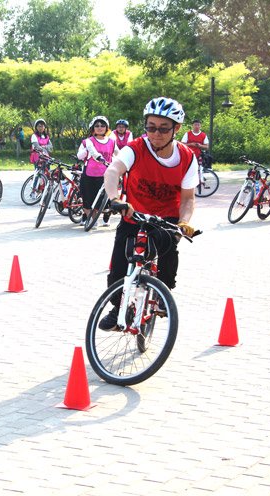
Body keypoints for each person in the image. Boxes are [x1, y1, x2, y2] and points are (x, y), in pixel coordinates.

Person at [97, 97, 198, 330]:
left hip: (167, 218)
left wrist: (184, 222)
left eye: (163, 128)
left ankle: (163, 294)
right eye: (151, 127)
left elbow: (188, 198)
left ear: (176, 129)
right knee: (119, 268)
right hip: (134, 214)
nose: (156, 134)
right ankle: (118, 308)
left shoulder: (186, 157)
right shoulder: (136, 148)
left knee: (169, 254)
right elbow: (113, 171)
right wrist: (115, 199)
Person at [77, 116, 116, 227]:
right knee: (87, 199)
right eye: (97, 125)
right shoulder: (87, 141)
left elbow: (117, 155)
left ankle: (102, 217)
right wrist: (87, 150)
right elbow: (80, 156)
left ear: (106, 128)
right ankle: (92, 219)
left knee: (102, 201)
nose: (100, 128)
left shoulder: (112, 142)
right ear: (93, 128)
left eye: (102, 125)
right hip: (89, 174)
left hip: (105, 175)